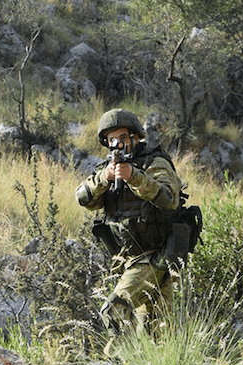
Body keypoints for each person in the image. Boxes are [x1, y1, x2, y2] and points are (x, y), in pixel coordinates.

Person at [75, 109, 183, 336]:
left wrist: (133, 176)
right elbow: (83, 197)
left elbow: (169, 199)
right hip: (127, 259)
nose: (117, 144)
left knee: (114, 310)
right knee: (155, 333)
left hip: (156, 255)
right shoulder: (107, 171)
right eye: (112, 140)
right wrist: (105, 179)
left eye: (123, 138)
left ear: (135, 137)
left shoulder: (155, 162)